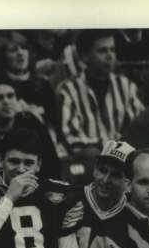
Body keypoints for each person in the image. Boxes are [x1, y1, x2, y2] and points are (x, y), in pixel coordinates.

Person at [58, 30, 144, 160]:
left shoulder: (126, 86)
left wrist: (116, 152)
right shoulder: (69, 90)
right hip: (89, 162)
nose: (110, 56)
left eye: (112, 50)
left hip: (123, 160)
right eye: (102, 51)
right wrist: (105, 152)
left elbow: (138, 129)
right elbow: (72, 138)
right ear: (84, 57)